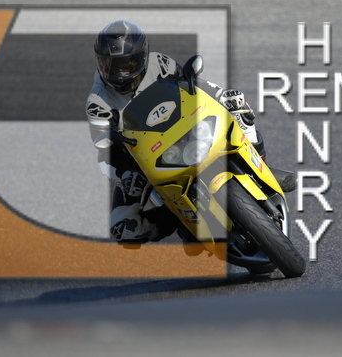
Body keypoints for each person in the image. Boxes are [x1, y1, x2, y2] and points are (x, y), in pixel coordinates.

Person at [85, 20, 293, 246]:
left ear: (142, 57)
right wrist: (124, 176)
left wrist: (223, 95)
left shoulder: (159, 63)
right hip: (144, 160)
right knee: (123, 228)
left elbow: (193, 83)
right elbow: (105, 154)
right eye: (110, 65)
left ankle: (261, 167)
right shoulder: (98, 102)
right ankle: (177, 219)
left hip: (186, 127)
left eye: (127, 63)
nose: (119, 72)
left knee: (238, 108)